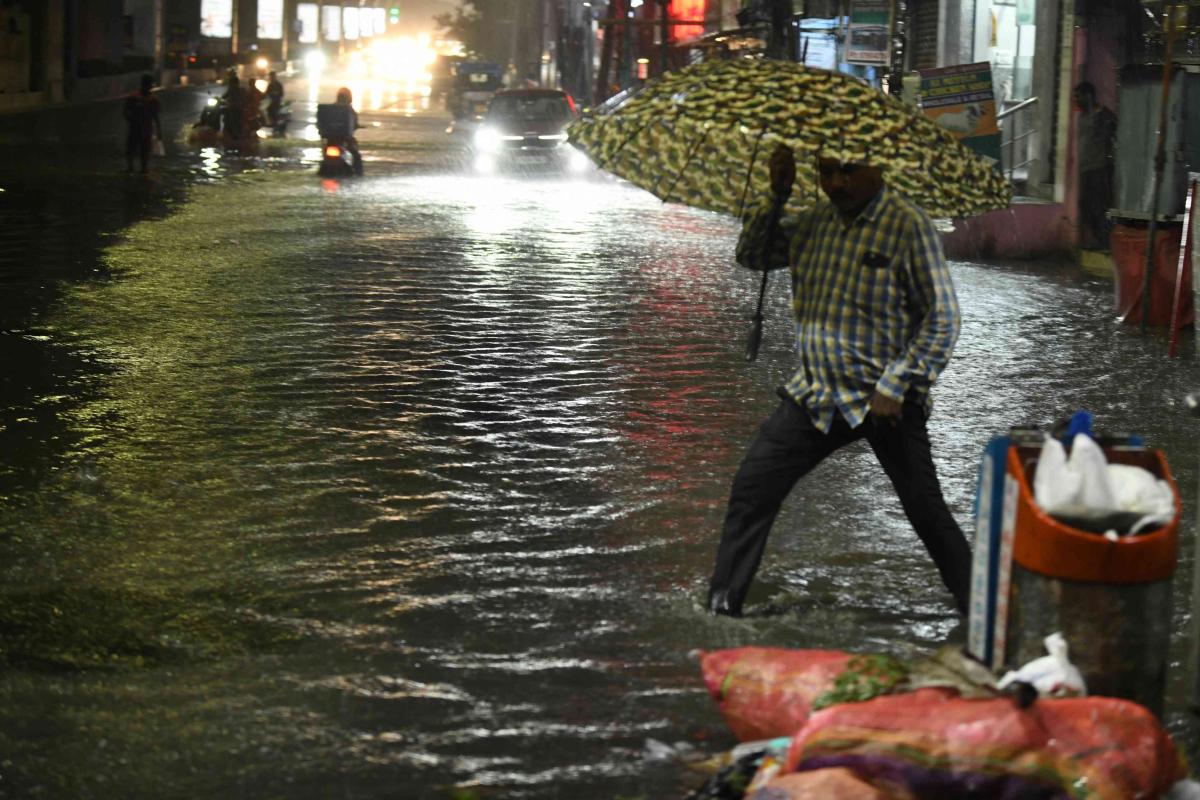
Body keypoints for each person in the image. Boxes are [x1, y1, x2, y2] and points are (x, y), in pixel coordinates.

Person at [707, 144, 972, 618]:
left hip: (883, 402)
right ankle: (722, 608)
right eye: (827, 172)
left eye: (848, 171)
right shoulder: (813, 223)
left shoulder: (908, 227)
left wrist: (899, 382)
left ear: (877, 166)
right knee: (752, 488)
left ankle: (982, 610)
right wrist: (778, 193)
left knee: (924, 509)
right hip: (816, 395)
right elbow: (751, 255)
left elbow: (943, 317)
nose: (837, 184)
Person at [1073, 81, 1117, 251]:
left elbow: (1115, 135)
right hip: (1085, 169)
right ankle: (1101, 239)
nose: (1076, 100)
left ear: (1089, 96)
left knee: (1100, 206)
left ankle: (1105, 242)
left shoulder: (1103, 115)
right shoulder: (1082, 116)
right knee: (1084, 204)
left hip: (1099, 169)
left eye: (1079, 96)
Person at [122, 74, 162, 173]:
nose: (149, 87)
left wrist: (159, 130)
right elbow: (125, 111)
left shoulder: (153, 100)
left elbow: (155, 116)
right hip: (138, 128)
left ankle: (142, 168)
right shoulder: (135, 98)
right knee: (133, 148)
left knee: (143, 150)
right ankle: (132, 168)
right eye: (149, 84)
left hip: (145, 128)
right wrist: (131, 120)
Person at [334, 86, 363, 175]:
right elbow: (354, 123)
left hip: (332, 140)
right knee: (356, 156)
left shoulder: (331, 108)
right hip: (345, 140)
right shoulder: (350, 110)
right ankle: (359, 175)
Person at [220, 72, 244, 144]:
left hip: (235, 108)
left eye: (231, 83)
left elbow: (225, 96)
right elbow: (224, 96)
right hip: (234, 107)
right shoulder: (234, 89)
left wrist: (223, 100)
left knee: (231, 116)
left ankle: (234, 133)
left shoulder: (234, 89)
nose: (230, 84)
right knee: (224, 111)